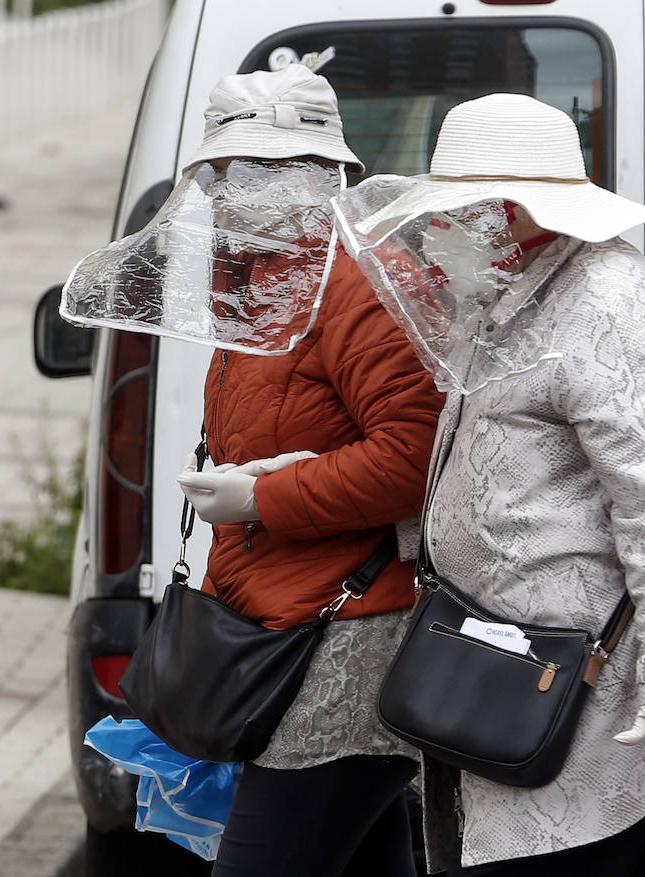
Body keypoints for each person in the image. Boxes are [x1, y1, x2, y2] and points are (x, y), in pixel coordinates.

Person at [336, 92, 645, 875]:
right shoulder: (508, 295)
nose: (440, 231)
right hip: (499, 664)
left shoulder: (610, 309)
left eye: (459, 212)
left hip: (576, 682)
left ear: (517, 212)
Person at [170, 65, 443, 876]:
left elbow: (416, 453)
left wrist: (260, 495)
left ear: (325, 173)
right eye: (226, 170)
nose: (232, 191)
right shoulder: (260, 276)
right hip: (288, 621)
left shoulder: (362, 281)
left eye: (260, 169)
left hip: (351, 638)